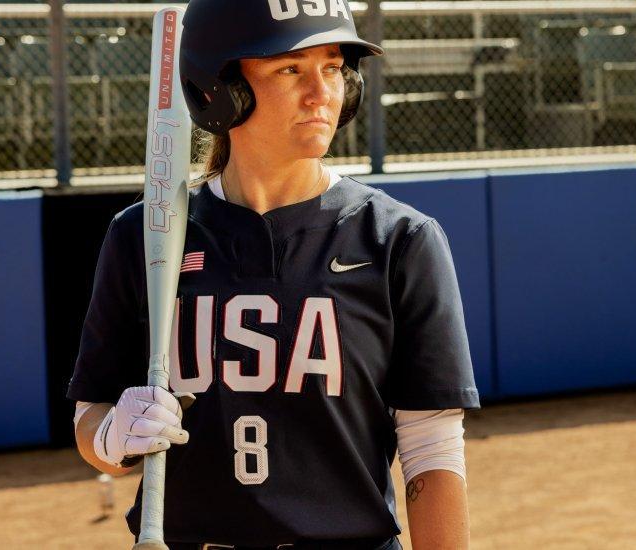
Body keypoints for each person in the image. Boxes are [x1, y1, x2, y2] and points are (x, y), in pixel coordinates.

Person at [68, 0, 480, 548]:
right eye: (290, 69)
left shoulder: (398, 240)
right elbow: (89, 420)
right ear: (222, 91)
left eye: (333, 68)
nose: (322, 94)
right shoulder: (144, 236)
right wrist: (114, 435)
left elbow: (432, 448)